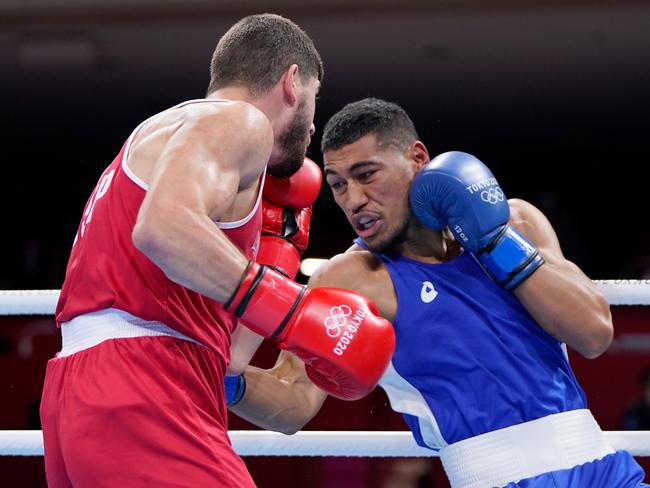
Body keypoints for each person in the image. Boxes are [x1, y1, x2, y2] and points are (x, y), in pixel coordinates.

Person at [39, 17, 396, 488]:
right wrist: (290, 311)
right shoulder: (237, 120)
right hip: (144, 383)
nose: (313, 127)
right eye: (314, 99)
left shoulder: (175, 137)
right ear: (292, 83)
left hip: (105, 390)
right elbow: (162, 227)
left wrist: (279, 249)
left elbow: (227, 360)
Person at [225, 98, 648, 487]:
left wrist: (494, 242)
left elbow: (594, 334)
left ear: (417, 159)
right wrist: (219, 374)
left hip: (606, 469)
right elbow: (294, 399)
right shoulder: (351, 278)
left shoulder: (516, 222)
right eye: (338, 185)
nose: (354, 200)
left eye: (366, 175)